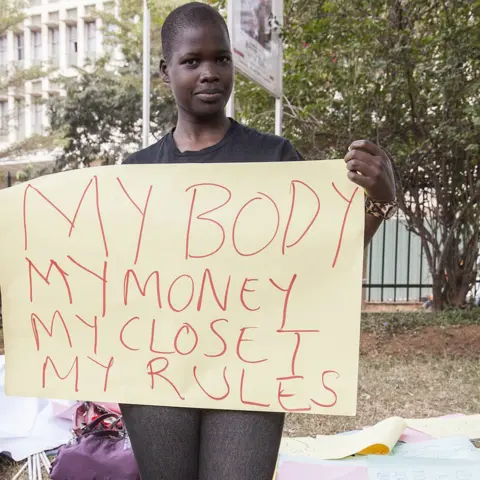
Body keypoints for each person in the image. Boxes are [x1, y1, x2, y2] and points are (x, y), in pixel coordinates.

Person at [121, 3, 396, 479]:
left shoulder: (274, 158)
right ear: (165, 72)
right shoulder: (134, 172)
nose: (210, 73)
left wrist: (380, 201)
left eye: (221, 59)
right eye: (192, 61)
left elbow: (326, 255)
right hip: (157, 372)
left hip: (250, 366)